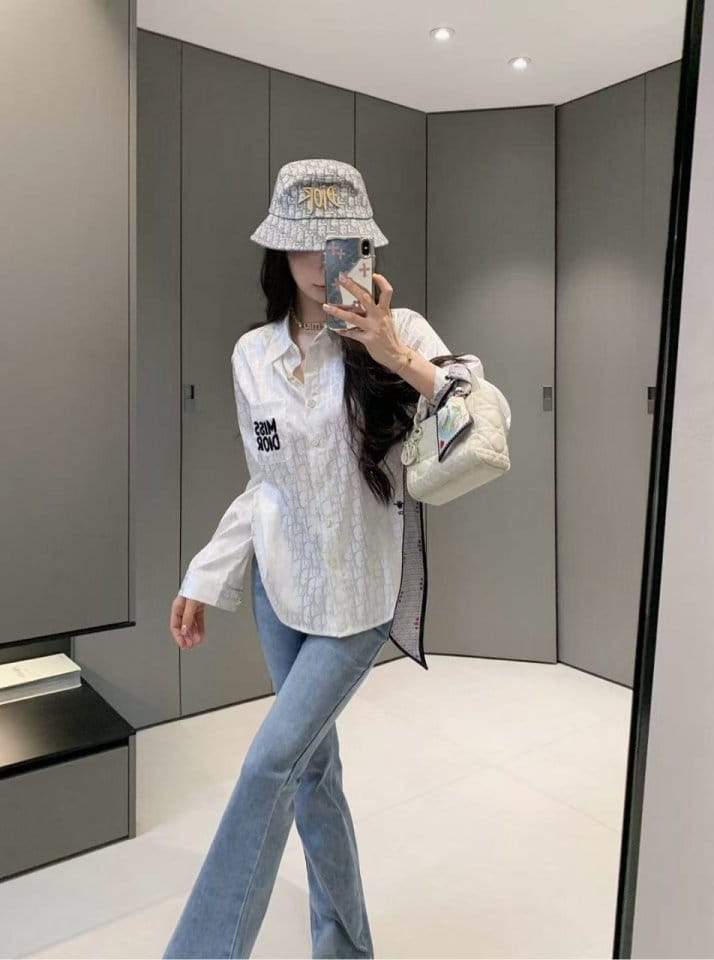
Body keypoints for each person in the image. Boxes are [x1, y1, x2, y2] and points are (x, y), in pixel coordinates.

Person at [162, 158, 501, 959]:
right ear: (278, 252)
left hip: (358, 599)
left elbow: (484, 418)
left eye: (337, 243)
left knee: (267, 768)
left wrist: (395, 354)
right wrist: (206, 575)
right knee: (313, 777)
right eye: (302, 244)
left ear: (362, 247)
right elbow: (265, 487)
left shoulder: (400, 330)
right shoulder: (253, 356)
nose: (320, 264)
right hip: (280, 594)